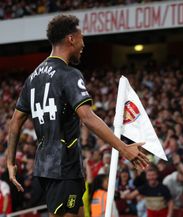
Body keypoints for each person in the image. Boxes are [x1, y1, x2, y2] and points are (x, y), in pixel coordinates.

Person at [6, 14, 149, 217]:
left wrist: (10, 162)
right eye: (81, 37)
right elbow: (87, 117)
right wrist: (123, 148)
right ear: (71, 38)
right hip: (63, 166)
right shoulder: (68, 74)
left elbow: (14, 124)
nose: (83, 44)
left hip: (47, 167)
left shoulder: (32, 78)